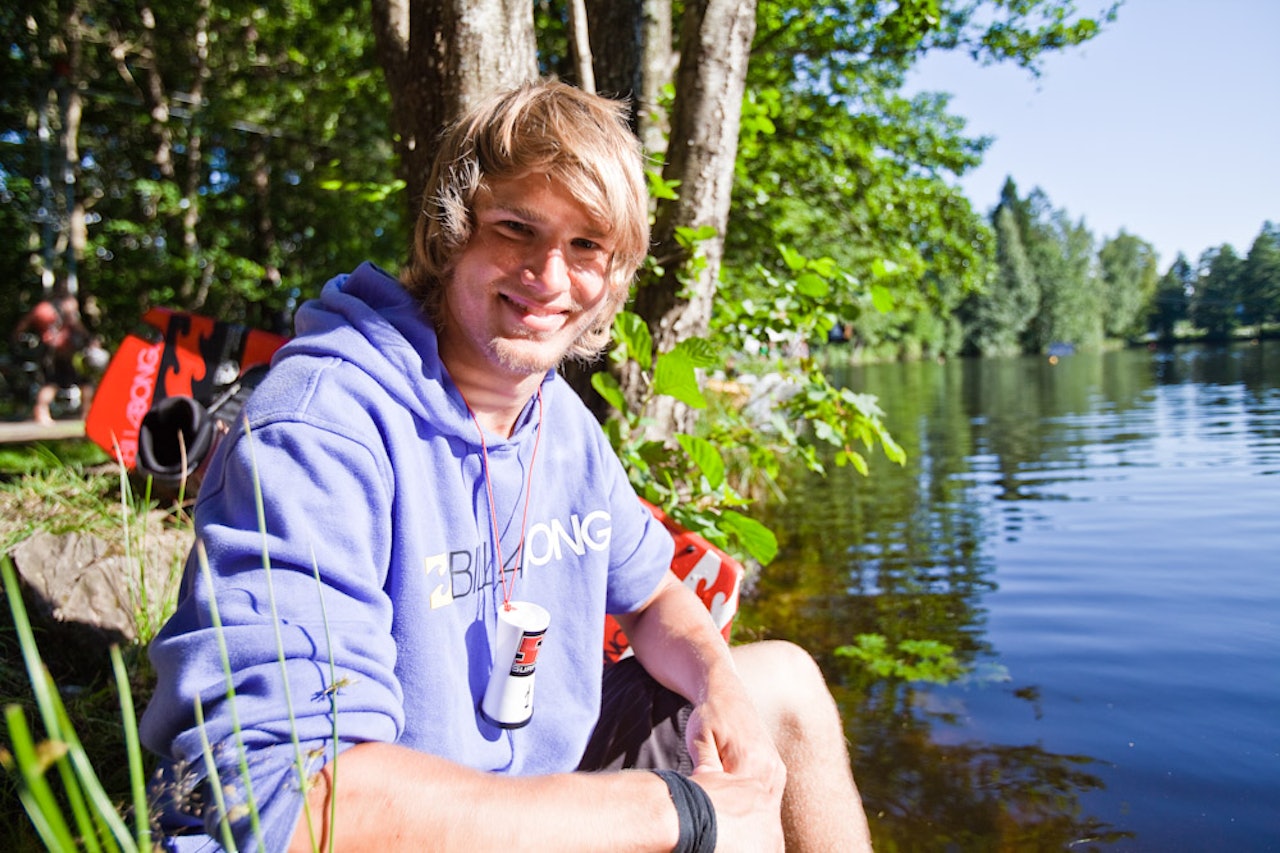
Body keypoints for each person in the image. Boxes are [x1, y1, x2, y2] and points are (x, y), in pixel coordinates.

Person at [139, 80, 873, 852]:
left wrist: (719, 686)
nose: (549, 276)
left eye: (586, 245)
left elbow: (655, 593)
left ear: (614, 274)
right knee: (723, 822)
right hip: (376, 825)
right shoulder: (322, 425)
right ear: (451, 232)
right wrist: (670, 810)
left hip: (532, 785)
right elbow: (292, 798)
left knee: (783, 688)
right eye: (517, 227)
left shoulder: (560, 421)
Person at [11, 292, 93, 424]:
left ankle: (85, 414)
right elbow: (76, 326)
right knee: (53, 383)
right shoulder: (57, 309)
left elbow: (24, 323)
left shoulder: (42, 308)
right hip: (57, 354)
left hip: (56, 354)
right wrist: (88, 339)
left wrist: (17, 339)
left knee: (76, 383)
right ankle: (42, 412)